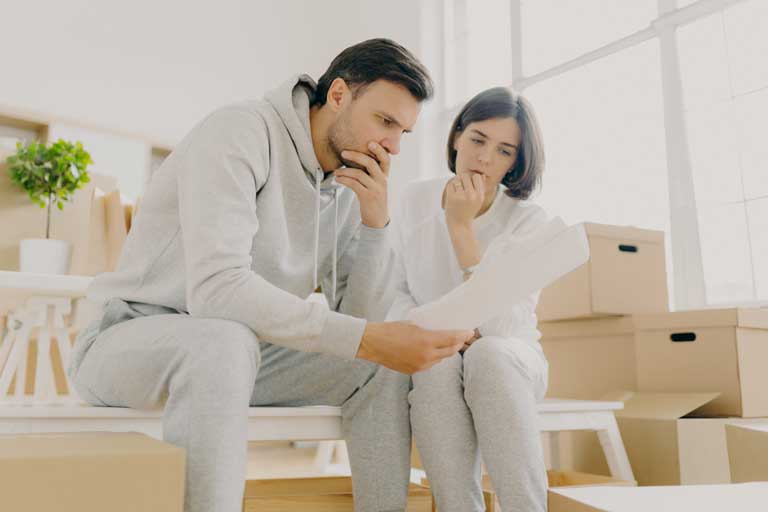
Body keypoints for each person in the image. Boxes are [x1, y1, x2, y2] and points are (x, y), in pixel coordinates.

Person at [67, 38, 474, 512]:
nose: (393, 146)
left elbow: (360, 324)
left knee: (380, 366)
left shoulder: (349, 183)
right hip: (126, 341)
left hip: (244, 355)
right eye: (385, 122)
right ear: (338, 95)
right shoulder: (239, 131)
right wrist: (368, 336)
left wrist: (375, 223)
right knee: (223, 340)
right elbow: (217, 290)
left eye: (403, 131)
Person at [387, 86, 550, 511]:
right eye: (477, 140)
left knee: (488, 355)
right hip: (435, 350)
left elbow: (501, 327)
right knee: (435, 361)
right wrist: (439, 331)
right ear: (457, 136)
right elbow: (394, 293)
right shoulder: (414, 199)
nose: (483, 159)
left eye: (503, 151)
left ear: (516, 162)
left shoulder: (529, 222)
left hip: (510, 360)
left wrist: (461, 230)